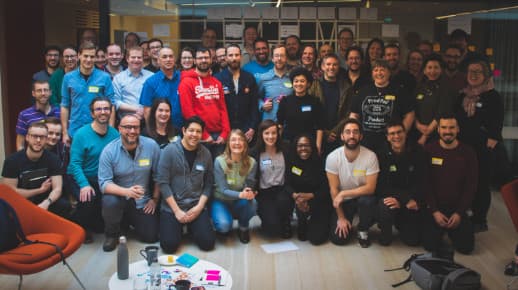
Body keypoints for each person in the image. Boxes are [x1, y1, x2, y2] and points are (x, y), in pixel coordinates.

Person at [98, 114, 161, 251]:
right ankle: (112, 233)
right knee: (109, 201)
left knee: (151, 237)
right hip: (119, 199)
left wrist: (155, 199)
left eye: (136, 127)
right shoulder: (109, 151)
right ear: (119, 129)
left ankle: (127, 224)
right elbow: (104, 184)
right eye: (128, 127)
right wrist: (127, 192)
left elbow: (159, 175)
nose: (132, 131)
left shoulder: (151, 146)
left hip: (142, 201)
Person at [455, 59, 504, 233]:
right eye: (470, 72)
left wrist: (492, 139)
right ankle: (466, 213)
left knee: (482, 183)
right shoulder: (462, 95)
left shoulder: (492, 96)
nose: (473, 75)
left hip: (484, 147)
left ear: (486, 75)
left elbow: (497, 122)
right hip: (464, 146)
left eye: (478, 72)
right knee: (466, 181)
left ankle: (480, 219)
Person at [156, 116, 216, 253]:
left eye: (198, 132)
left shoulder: (206, 154)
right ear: (184, 130)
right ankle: (180, 227)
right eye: (191, 130)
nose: (194, 135)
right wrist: (177, 211)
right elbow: (163, 183)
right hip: (173, 207)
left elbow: (208, 184)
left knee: (208, 243)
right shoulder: (169, 151)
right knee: (169, 246)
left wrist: (199, 207)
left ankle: (191, 227)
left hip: (196, 205)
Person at [422, 115, 477, 254]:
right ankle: (442, 231)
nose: (448, 131)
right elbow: (425, 183)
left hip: (457, 209)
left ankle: (451, 231)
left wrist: (459, 213)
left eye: (452, 127)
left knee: (466, 248)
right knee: (430, 246)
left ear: (458, 129)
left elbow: (471, 185)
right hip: (435, 210)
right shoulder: (428, 150)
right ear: (438, 130)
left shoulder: (468, 152)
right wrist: (434, 211)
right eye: (444, 127)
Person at [68, 97, 119, 243]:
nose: (102, 112)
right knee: (88, 197)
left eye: (106, 109)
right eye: (98, 109)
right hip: (80, 177)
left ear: (110, 112)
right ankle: (80, 227)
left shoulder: (115, 134)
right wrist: (84, 184)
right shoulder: (81, 134)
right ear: (92, 113)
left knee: (100, 227)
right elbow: (75, 164)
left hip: (102, 179)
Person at [326, 118, 379, 248]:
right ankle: (344, 221)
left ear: (361, 136)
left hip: (363, 198)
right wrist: (341, 218)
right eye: (348, 132)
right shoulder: (333, 157)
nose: (352, 135)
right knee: (339, 239)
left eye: (355, 132)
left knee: (368, 201)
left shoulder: (371, 156)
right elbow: (333, 190)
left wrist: (344, 193)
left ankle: (363, 229)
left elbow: (370, 188)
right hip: (344, 202)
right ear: (342, 136)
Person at [1, 122, 67, 217]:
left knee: (65, 205)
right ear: (27, 137)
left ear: (46, 139)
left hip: (44, 199)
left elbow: (57, 188)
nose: (38, 140)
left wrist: (47, 202)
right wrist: (39, 190)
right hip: (21, 200)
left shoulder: (53, 159)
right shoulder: (12, 161)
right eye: (34, 136)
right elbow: (10, 193)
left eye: (42, 137)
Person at [349, 59, 414, 154]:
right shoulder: (363, 91)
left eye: (382, 70)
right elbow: (354, 115)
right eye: (375, 70)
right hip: (366, 142)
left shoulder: (399, 91)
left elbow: (410, 114)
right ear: (372, 73)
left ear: (389, 72)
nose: (379, 73)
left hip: (390, 143)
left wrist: (399, 134)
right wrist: (355, 134)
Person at [376, 121, 425, 246]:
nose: (396, 136)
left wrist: (412, 200)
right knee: (385, 204)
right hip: (394, 198)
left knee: (412, 241)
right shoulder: (381, 155)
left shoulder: (418, 152)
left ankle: (400, 223)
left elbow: (423, 181)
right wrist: (403, 199)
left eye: (399, 132)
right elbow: (381, 186)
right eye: (392, 134)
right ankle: (385, 234)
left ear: (405, 133)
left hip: (412, 200)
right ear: (387, 137)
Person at [179, 47, 230, 158]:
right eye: (200, 58)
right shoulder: (186, 83)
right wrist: (204, 134)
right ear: (195, 61)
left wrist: (225, 133)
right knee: (201, 171)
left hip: (219, 136)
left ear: (211, 60)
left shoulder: (217, 83)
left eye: (206, 57)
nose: (203, 61)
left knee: (219, 169)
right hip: (199, 136)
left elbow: (223, 109)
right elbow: (188, 112)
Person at [61, 42, 115, 146]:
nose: (89, 60)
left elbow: (111, 105)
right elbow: (65, 105)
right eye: (86, 56)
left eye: (92, 56)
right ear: (79, 56)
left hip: (99, 130)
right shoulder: (68, 78)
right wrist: (64, 132)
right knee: (76, 161)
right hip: (75, 130)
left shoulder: (105, 77)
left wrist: (111, 130)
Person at [211, 129, 258, 243]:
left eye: (240, 140)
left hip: (239, 201)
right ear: (228, 143)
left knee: (253, 203)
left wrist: (249, 191)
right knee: (224, 226)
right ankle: (224, 220)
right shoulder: (219, 161)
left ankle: (243, 227)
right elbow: (223, 190)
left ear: (245, 143)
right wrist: (241, 194)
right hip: (221, 200)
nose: (237, 143)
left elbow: (249, 184)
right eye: (233, 140)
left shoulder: (252, 162)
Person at [285, 134, 331, 244]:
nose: (303, 148)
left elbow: (326, 188)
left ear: (312, 147)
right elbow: (286, 183)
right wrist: (295, 196)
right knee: (302, 237)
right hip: (298, 199)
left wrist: (310, 196)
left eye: (307, 145)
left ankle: (317, 221)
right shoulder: (291, 161)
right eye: (300, 146)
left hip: (318, 200)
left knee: (316, 239)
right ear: (295, 148)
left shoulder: (320, 162)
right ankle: (301, 221)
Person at [251, 120, 293, 238]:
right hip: (264, 193)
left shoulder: (286, 148)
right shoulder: (254, 152)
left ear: (278, 134)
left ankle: (286, 221)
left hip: (282, 189)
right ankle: (272, 221)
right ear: (261, 134)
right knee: (271, 230)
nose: (271, 137)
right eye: (267, 133)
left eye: (274, 133)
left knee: (284, 202)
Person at [214, 44, 259, 143]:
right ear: (225, 58)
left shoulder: (249, 78)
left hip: (246, 130)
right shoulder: (217, 79)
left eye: (236, 55)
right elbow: (215, 107)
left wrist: (252, 127)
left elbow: (254, 106)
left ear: (241, 57)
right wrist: (222, 131)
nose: (234, 58)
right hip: (225, 129)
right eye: (230, 55)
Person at [277, 67, 324, 154]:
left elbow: (320, 127)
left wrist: (318, 147)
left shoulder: (315, 102)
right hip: (289, 144)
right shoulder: (285, 101)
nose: (299, 84)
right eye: (296, 81)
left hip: (309, 144)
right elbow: (280, 125)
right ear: (292, 83)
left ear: (308, 84)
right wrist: (277, 145)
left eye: (302, 81)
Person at [413, 54, 455, 145]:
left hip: (436, 134)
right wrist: (418, 125)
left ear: (441, 70)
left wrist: (425, 134)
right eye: (429, 67)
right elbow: (412, 109)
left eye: (436, 67)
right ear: (424, 70)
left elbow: (442, 112)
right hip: (417, 132)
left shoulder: (446, 88)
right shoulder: (419, 87)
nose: (432, 71)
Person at [140, 47, 183, 131]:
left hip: (183, 128)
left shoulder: (183, 78)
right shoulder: (150, 82)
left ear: (174, 60)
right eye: (164, 57)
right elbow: (147, 110)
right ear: (158, 61)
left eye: (171, 56)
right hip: (160, 130)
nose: (168, 59)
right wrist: (152, 132)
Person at [317, 53, 352, 156]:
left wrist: (335, 131)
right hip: (319, 135)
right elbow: (311, 112)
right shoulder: (314, 85)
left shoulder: (346, 87)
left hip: (339, 135)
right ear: (322, 67)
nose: (331, 67)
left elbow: (348, 113)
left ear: (338, 67)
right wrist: (324, 132)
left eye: (335, 65)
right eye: (328, 64)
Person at [16, 80, 60, 151]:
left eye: (45, 90)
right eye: (39, 91)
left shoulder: (59, 112)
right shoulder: (24, 115)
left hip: (57, 157)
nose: (43, 93)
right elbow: (20, 144)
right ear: (33, 93)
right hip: (34, 158)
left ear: (50, 92)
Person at [113, 46, 153, 119]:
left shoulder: (151, 76)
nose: (136, 60)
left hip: (147, 121)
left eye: (139, 57)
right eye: (133, 57)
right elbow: (115, 101)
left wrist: (145, 111)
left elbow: (155, 99)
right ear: (127, 59)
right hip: (125, 122)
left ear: (143, 59)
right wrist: (137, 109)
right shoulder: (118, 78)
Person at [257, 45, 293, 122]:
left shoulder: (292, 78)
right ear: (272, 59)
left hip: (288, 124)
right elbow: (256, 97)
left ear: (286, 58)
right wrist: (262, 105)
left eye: (282, 56)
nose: (279, 59)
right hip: (270, 125)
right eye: (276, 56)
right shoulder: (263, 78)